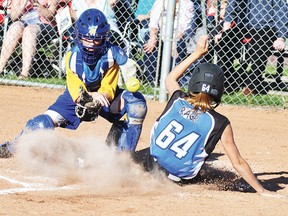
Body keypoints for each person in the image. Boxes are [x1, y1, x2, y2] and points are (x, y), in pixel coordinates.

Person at [131, 35, 284, 197]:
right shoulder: (220, 123)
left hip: (150, 163)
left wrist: (197, 53)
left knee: (126, 158)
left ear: (193, 83)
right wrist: (262, 190)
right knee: (223, 176)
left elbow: (170, 78)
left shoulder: (177, 99)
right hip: (177, 180)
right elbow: (237, 162)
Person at [0, 9, 147, 158]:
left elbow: (109, 83)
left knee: (136, 104)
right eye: (87, 38)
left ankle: (121, 158)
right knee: (41, 124)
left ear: (104, 38)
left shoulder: (111, 54)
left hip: (103, 97)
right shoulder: (72, 56)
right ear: (79, 36)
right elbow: (75, 87)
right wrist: (88, 96)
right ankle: (13, 147)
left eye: (96, 39)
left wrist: (102, 94)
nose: (91, 44)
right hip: (75, 96)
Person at [216, 0, 288, 95]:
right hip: (242, 24)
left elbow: (281, 12)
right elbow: (233, 4)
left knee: (259, 46)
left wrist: (281, 37)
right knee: (224, 41)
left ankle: (251, 84)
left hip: (265, 26)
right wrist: (226, 24)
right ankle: (229, 82)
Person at [0, 0, 60, 79]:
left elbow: (51, 15)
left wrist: (39, 8)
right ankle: (0, 68)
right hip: (24, 22)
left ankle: (24, 74)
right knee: (15, 27)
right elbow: (14, 17)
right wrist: (23, 3)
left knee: (30, 30)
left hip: (44, 25)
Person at [143, 0, 194, 86]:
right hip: (160, 35)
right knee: (150, 43)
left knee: (178, 46)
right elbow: (153, 24)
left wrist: (172, 42)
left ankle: (171, 80)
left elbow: (183, 29)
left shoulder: (188, 4)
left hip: (179, 37)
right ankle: (152, 79)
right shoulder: (160, 2)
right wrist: (153, 38)